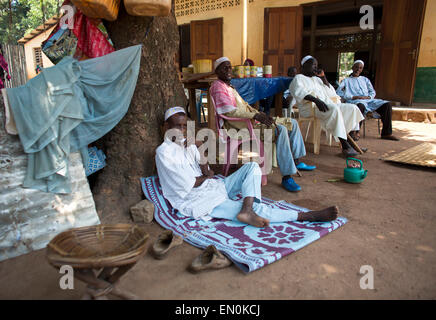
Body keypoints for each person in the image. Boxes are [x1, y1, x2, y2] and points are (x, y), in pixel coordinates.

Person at [155, 107, 339, 228]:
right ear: (166, 127)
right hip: (197, 201)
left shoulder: (188, 145)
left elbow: (207, 172)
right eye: (177, 127)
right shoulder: (164, 153)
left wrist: (198, 147)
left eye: (184, 126)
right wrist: (208, 178)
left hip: (212, 187)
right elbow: (191, 184)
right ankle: (307, 217)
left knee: (252, 166)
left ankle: (247, 209)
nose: (182, 130)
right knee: (258, 210)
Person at [210, 57, 316, 193]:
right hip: (239, 127)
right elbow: (229, 112)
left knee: (293, 123)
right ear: (217, 71)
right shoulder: (218, 87)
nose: (229, 70)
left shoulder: (228, 86)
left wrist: (259, 114)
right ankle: (287, 176)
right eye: (224, 67)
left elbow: (244, 107)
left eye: (230, 67)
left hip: (249, 121)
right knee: (280, 130)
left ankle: (296, 161)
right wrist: (255, 115)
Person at [289, 56, 365, 157]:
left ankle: (351, 141)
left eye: (317, 65)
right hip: (310, 108)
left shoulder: (317, 79)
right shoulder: (298, 78)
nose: (316, 68)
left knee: (352, 108)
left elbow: (331, 93)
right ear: (304, 66)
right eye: (313, 65)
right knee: (334, 110)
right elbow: (299, 92)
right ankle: (345, 145)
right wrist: (316, 101)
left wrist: (323, 78)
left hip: (326, 104)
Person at [336, 60, 399, 141]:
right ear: (352, 67)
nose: (358, 69)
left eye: (360, 68)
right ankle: (356, 131)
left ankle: (386, 133)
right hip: (355, 101)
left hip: (369, 101)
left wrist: (369, 97)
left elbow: (372, 92)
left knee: (387, 104)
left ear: (362, 69)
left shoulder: (365, 80)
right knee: (360, 106)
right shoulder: (346, 80)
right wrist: (353, 97)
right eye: (356, 67)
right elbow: (338, 92)